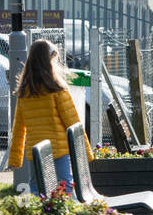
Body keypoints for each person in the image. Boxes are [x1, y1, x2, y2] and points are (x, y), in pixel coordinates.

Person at [7, 39, 92, 193]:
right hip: (58, 149)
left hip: (36, 150)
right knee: (65, 185)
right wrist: (85, 151)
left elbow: (19, 127)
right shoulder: (57, 89)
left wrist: (15, 158)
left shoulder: (25, 92)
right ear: (49, 61)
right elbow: (73, 122)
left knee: (36, 187)